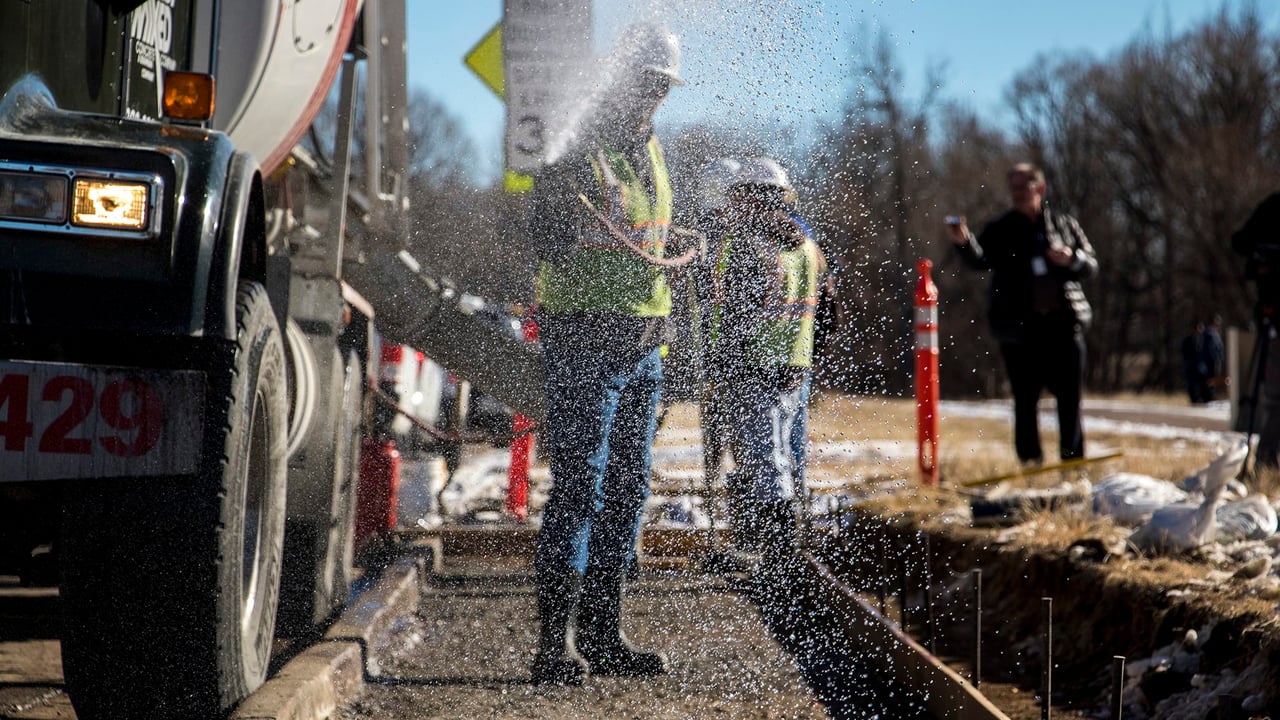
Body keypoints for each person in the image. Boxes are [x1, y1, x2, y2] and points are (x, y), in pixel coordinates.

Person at [524, 23, 684, 686]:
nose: (652, 96)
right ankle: (552, 646)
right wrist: (551, 218)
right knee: (581, 488)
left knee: (626, 492)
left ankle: (603, 635)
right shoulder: (576, 145)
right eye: (643, 82)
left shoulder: (652, 151)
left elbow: (648, 234)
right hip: (586, 338)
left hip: (644, 344)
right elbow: (543, 237)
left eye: (661, 87)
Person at [705, 157, 828, 571]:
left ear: (749, 198)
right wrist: (804, 358)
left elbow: (737, 317)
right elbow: (827, 313)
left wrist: (722, 366)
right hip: (793, 368)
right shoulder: (808, 247)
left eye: (738, 197)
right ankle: (782, 554)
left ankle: (778, 562)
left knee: (765, 464)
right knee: (782, 459)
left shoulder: (746, 245)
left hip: (753, 369)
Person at [945, 163, 1098, 464]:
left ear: (1039, 189)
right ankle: (1030, 464)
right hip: (1020, 330)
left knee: (1070, 400)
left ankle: (1073, 464)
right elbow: (980, 258)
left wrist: (1072, 259)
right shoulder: (1002, 228)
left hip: (1064, 326)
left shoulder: (1064, 224)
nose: (1015, 194)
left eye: (1022, 188)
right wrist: (963, 242)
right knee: (1025, 401)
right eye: (1012, 188)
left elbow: (1092, 264)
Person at [1232, 193, 1280, 468]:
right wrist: (1266, 251)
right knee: (1275, 394)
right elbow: (1239, 241)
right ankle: (1266, 460)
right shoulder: (1272, 208)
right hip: (1274, 311)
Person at [1181, 320, 1209, 404]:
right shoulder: (1187, 340)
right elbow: (1184, 353)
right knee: (1191, 385)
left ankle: (1204, 399)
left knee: (1204, 384)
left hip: (1203, 367)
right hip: (1191, 366)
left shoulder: (1206, 339)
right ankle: (1194, 400)